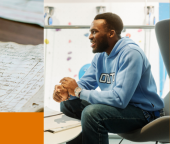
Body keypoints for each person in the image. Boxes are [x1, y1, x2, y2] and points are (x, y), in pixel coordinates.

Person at [53, 12, 164, 144]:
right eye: (90, 32)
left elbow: (119, 99)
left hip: (144, 113)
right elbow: (85, 85)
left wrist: (77, 91)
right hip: (120, 109)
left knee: (92, 113)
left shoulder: (131, 54)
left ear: (111, 34)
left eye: (94, 32)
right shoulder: (100, 57)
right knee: (68, 104)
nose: (90, 36)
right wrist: (67, 93)